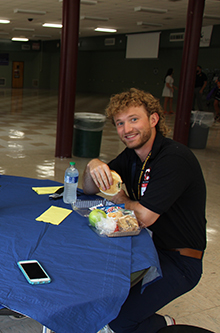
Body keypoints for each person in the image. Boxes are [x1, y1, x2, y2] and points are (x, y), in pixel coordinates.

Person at [83, 88, 206, 333]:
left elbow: (145, 216)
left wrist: (121, 199)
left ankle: (162, 324)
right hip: (148, 248)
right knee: (99, 295)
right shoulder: (133, 156)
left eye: (133, 119)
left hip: (180, 261)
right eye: (120, 123)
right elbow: (88, 190)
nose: (126, 129)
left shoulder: (173, 158)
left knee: (115, 321)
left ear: (153, 119)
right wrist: (93, 165)